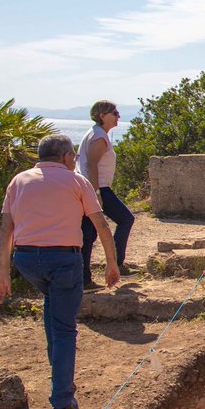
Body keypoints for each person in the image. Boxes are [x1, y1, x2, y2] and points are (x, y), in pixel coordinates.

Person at [0, 134, 120, 409]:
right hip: (63, 260)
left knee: (53, 310)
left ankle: (59, 373)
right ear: (64, 156)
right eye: (73, 156)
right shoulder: (76, 181)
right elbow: (100, 223)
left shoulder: (19, 181)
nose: (74, 160)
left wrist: (2, 273)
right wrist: (111, 264)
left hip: (26, 261)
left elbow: (6, 230)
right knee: (64, 328)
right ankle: (62, 401)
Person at [77, 101, 135, 288]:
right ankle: (116, 264)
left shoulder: (97, 134)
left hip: (93, 187)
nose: (118, 116)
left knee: (88, 233)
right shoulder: (98, 137)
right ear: (102, 115)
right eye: (114, 113)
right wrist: (95, 193)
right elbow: (91, 165)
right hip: (98, 188)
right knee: (125, 219)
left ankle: (85, 278)